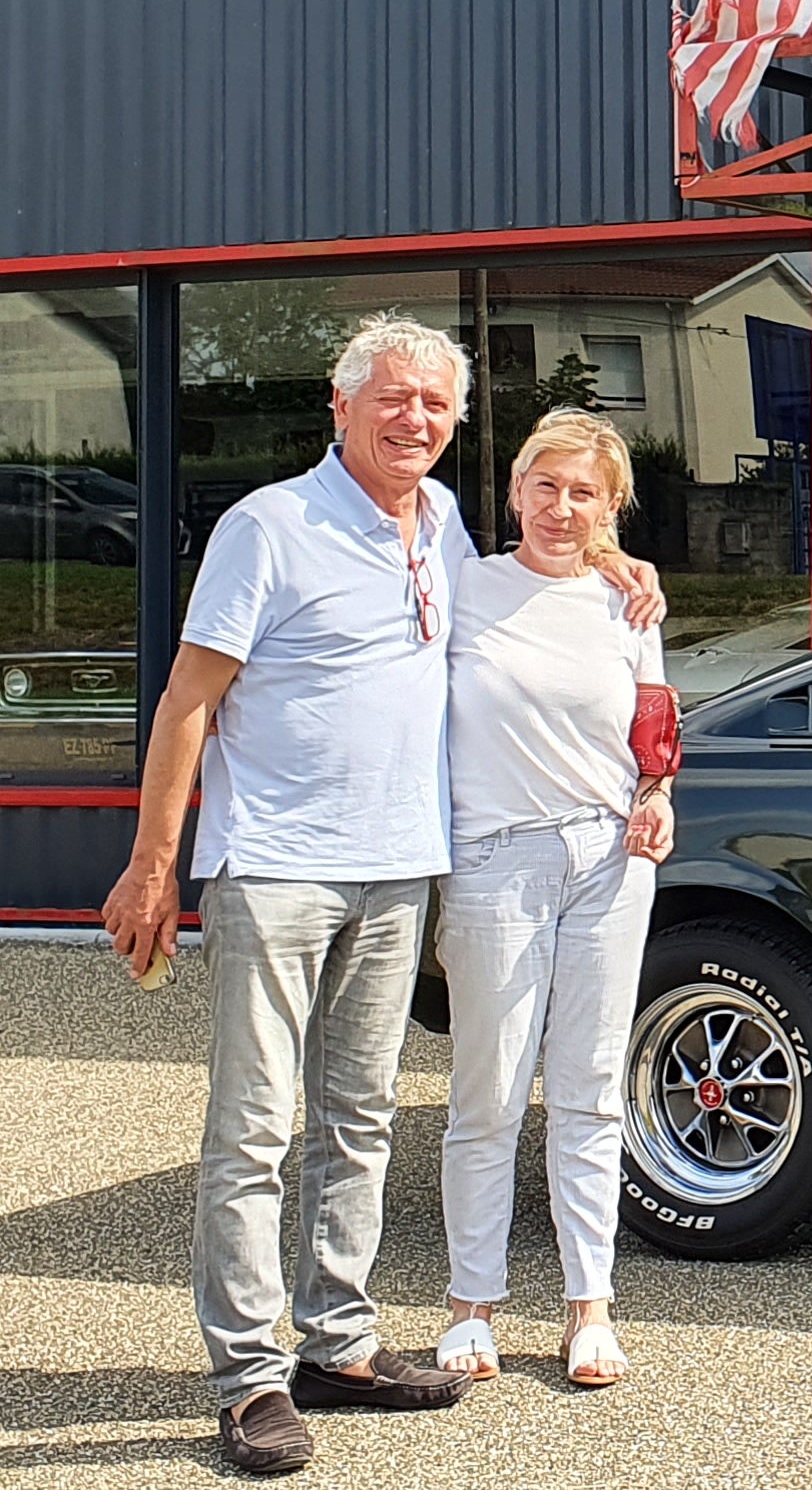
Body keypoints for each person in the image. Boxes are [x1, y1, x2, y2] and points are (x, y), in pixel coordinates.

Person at [97, 315, 656, 1477]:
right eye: (392, 399)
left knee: (358, 1120)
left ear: (455, 428)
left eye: (435, 406)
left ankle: (338, 1343)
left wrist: (616, 558)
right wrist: (154, 860)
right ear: (341, 410)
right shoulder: (270, 527)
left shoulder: (442, 522)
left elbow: (542, 578)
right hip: (278, 868)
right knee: (253, 1129)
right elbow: (188, 701)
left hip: (403, 867)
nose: (414, 420)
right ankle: (249, 1379)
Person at [435, 410, 674, 1391]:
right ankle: (469, 1309)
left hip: (609, 859)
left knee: (587, 1089)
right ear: (516, 490)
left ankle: (589, 1309)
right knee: (487, 1091)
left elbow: (652, 723)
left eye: (585, 493)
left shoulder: (630, 605)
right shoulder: (463, 586)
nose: (561, 508)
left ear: (610, 507)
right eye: (547, 486)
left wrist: (657, 794)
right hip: (494, 859)